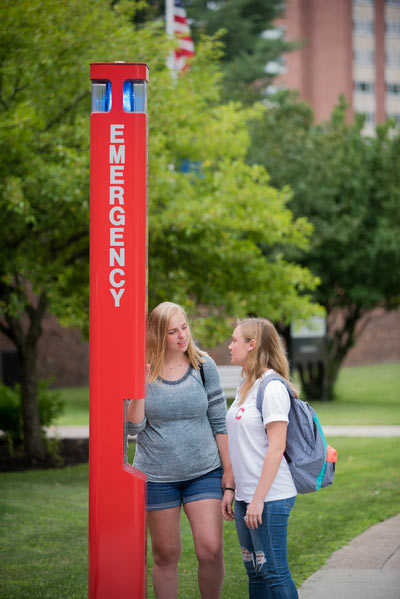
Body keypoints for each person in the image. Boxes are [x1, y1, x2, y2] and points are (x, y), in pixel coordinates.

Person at [127, 301, 234, 599]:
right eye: (172, 331)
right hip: (158, 477)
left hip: (204, 472)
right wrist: (139, 387)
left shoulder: (203, 365)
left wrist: (229, 472)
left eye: (184, 327)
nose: (181, 336)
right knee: (165, 554)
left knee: (211, 549)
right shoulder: (142, 367)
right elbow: (133, 429)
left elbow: (218, 421)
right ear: (158, 335)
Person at [222, 317, 298, 599]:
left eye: (235, 340)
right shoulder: (246, 383)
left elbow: (276, 448)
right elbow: (238, 443)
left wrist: (258, 499)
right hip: (245, 496)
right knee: (256, 574)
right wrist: (231, 488)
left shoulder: (273, 387)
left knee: (275, 573)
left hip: (270, 497)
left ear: (252, 345)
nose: (230, 346)